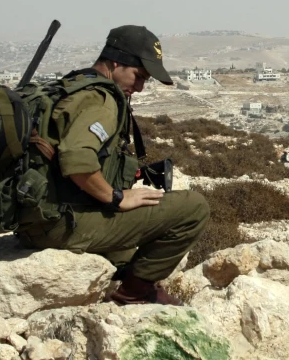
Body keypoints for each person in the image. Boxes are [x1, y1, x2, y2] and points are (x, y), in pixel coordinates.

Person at [16, 25, 209, 306]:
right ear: (117, 63)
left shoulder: (75, 84)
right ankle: (135, 293)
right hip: (59, 223)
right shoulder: (102, 100)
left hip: (33, 220)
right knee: (194, 208)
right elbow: (76, 159)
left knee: (130, 256)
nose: (140, 87)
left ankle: (126, 279)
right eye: (138, 76)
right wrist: (116, 197)